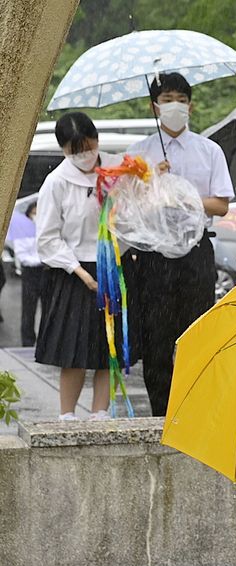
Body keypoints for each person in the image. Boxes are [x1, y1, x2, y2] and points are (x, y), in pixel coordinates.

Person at [126, 72, 234, 416]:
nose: (175, 106)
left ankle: (195, 411)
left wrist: (182, 195)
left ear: (191, 105)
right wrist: (153, 183)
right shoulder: (138, 154)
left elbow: (221, 204)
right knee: (156, 338)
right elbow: (125, 209)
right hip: (153, 254)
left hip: (196, 253)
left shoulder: (209, 150)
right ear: (154, 105)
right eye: (167, 99)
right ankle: (161, 413)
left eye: (181, 100)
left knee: (197, 333)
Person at [34, 112, 120, 420]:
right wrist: (81, 272)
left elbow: (130, 216)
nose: (86, 154)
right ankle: (67, 415)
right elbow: (47, 239)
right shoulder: (56, 182)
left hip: (110, 265)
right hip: (73, 271)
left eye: (89, 145)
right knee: (73, 348)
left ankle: (101, 413)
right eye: (76, 149)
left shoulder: (113, 171)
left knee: (106, 347)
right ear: (64, 150)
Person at [13, 201, 45, 346]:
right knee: (29, 309)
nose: (37, 216)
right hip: (31, 272)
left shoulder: (47, 229)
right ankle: (27, 341)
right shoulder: (22, 231)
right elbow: (22, 255)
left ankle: (45, 341)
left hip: (46, 272)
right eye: (34, 213)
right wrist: (40, 259)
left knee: (48, 308)